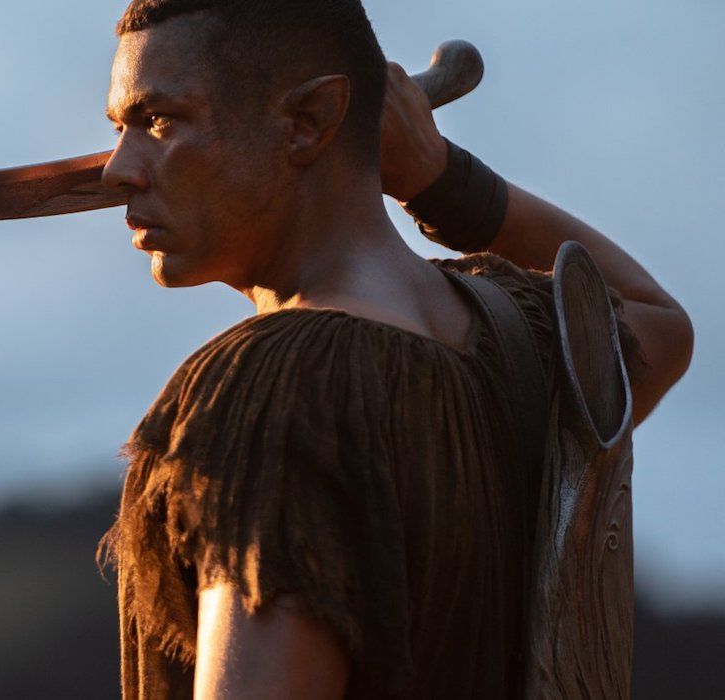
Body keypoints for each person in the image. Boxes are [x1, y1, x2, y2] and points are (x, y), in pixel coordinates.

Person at [97, 0, 694, 697]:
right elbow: (656, 320)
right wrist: (442, 179)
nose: (117, 170)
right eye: (119, 129)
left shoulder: (275, 386)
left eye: (159, 120)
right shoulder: (527, 337)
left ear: (310, 121)